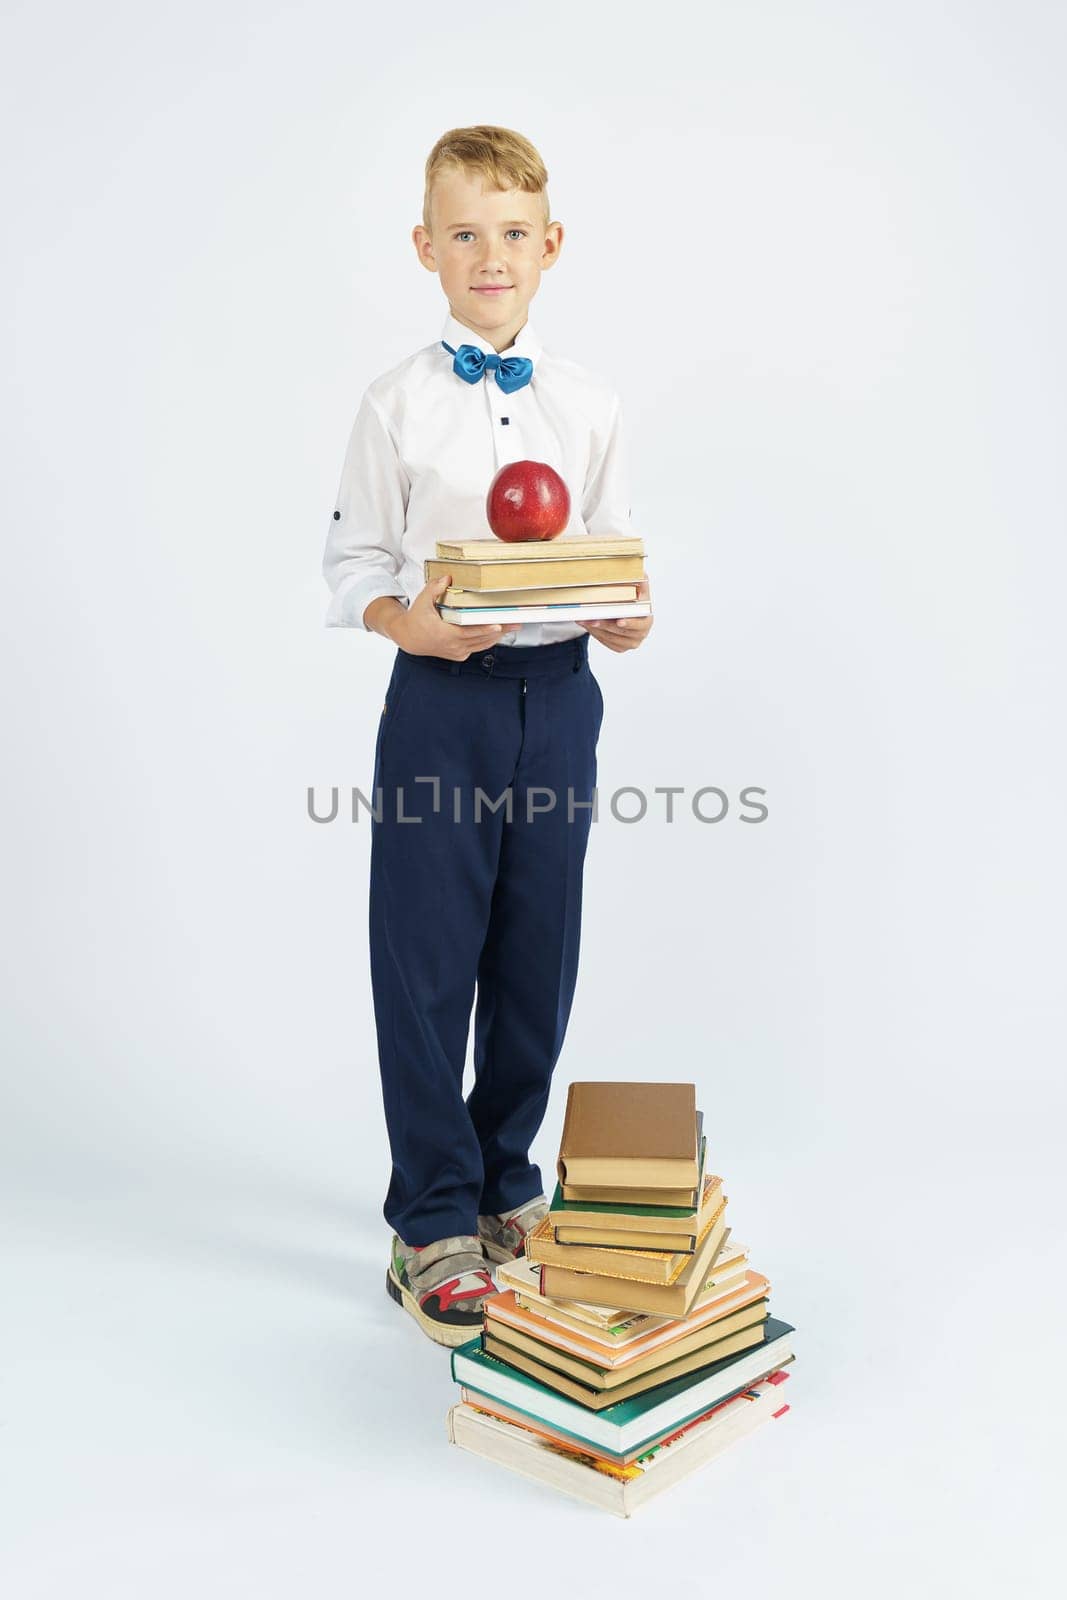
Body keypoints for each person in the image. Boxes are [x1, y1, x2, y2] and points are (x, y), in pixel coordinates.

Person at [322, 124, 654, 1346]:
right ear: (425, 248)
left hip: (559, 699)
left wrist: (627, 618)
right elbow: (353, 557)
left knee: (534, 946)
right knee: (424, 956)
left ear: (549, 244)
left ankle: (505, 1179)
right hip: (441, 705)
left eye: (511, 233)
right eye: (463, 234)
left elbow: (612, 552)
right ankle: (430, 1220)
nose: (489, 254)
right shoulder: (394, 403)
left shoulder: (588, 402)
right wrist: (402, 618)